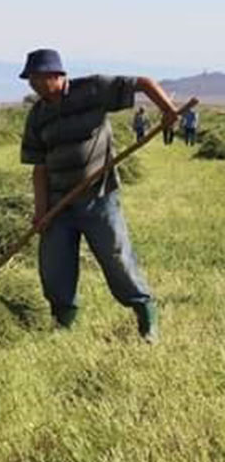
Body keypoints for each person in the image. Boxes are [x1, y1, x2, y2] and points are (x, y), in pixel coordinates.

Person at [19, 48, 177, 343]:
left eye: (39, 79)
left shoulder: (91, 90)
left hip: (98, 197)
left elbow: (141, 83)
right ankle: (63, 324)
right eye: (31, 80)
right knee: (54, 267)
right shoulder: (37, 115)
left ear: (57, 75)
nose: (35, 85)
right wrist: (41, 212)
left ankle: (146, 318)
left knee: (116, 258)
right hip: (57, 205)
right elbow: (39, 169)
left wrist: (167, 110)